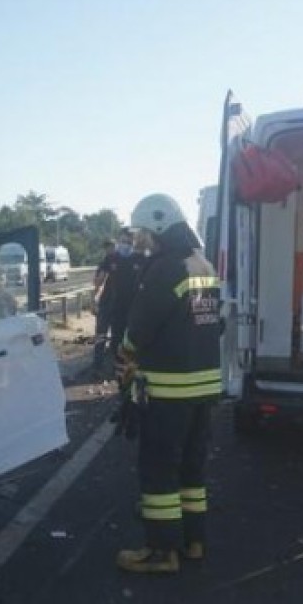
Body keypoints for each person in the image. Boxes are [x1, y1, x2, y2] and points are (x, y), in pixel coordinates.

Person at [114, 193, 222, 574]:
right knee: (191, 471)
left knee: (158, 469)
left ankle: (161, 552)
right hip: (202, 389)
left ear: (159, 226)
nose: (139, 241)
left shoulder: (166, 269)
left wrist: (124, 355)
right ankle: (193, 541)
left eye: (142, 233)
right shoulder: (203, 266)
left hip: (168, 390)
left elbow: (139, 329)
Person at [92, 232, 145, 373]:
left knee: (125, 338)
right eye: (122, 241)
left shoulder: (141, 259)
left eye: (128, 242)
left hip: (130, 307)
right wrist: (95, 296)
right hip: (111, 304)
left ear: (133, 244)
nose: (125, 245)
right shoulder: (111, 258)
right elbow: (100, 279)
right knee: (107, 336)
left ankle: (124, 368)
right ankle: (103, 366)